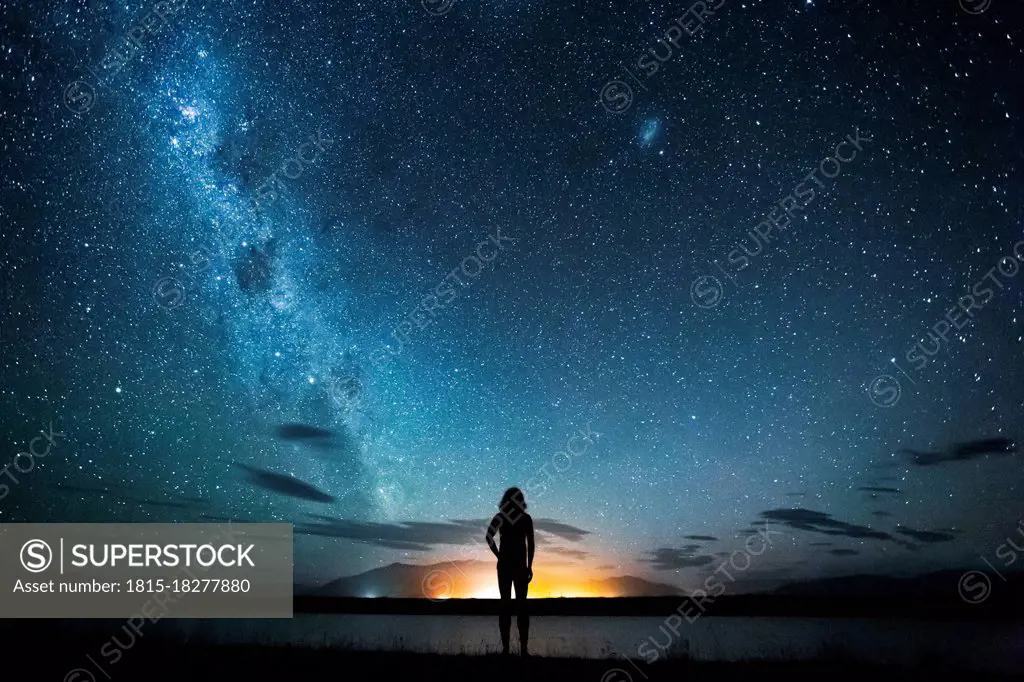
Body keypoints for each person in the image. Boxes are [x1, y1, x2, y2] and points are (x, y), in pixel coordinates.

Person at [485, 486, 535, 656]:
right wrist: (529, 566)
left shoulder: (502, 517)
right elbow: (531, 544)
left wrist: (499, 555)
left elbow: (488, 537)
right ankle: (522, 650)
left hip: (508, 566)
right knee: (520, 606)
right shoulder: (525, 519)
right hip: (517, 566)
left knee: (506, 606)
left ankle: (508, 650)